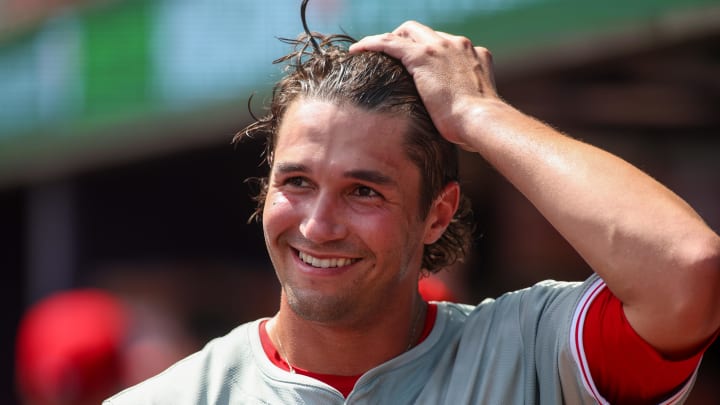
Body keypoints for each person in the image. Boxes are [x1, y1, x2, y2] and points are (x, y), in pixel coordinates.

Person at [104, 12, 720, 405]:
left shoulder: (531, 350)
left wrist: (482, 116)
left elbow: (687, 270)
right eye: (296, 181)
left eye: (364, 191)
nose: (318, 225)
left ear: (438, 213)